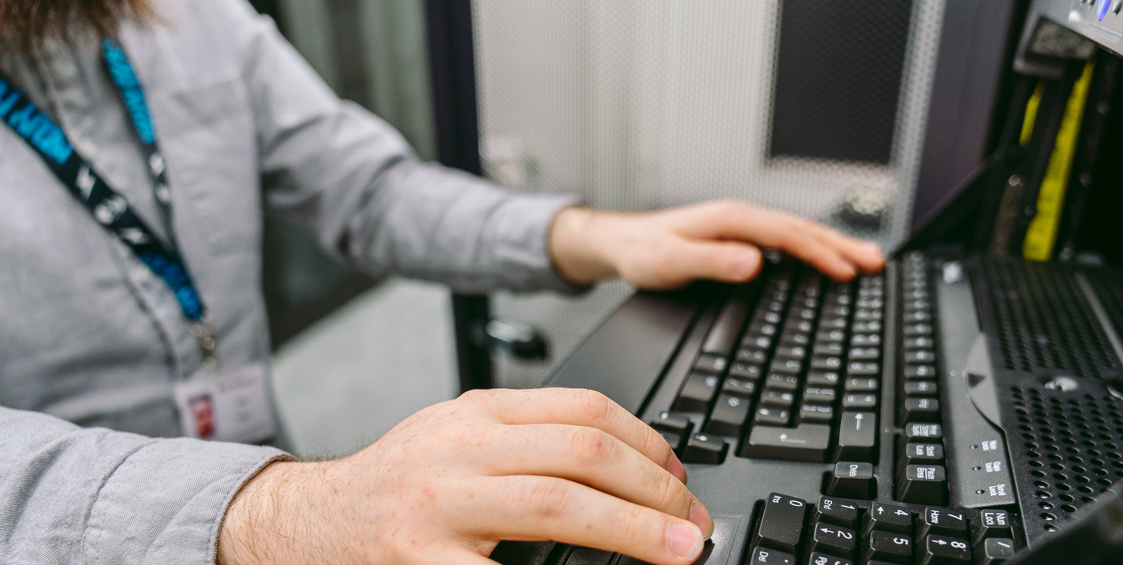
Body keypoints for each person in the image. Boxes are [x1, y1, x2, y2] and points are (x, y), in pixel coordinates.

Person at [0, 1, 886, 564]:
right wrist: (273, 512)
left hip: (250, 461)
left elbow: (371, 191)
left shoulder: (200, 19)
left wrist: (590, 235)